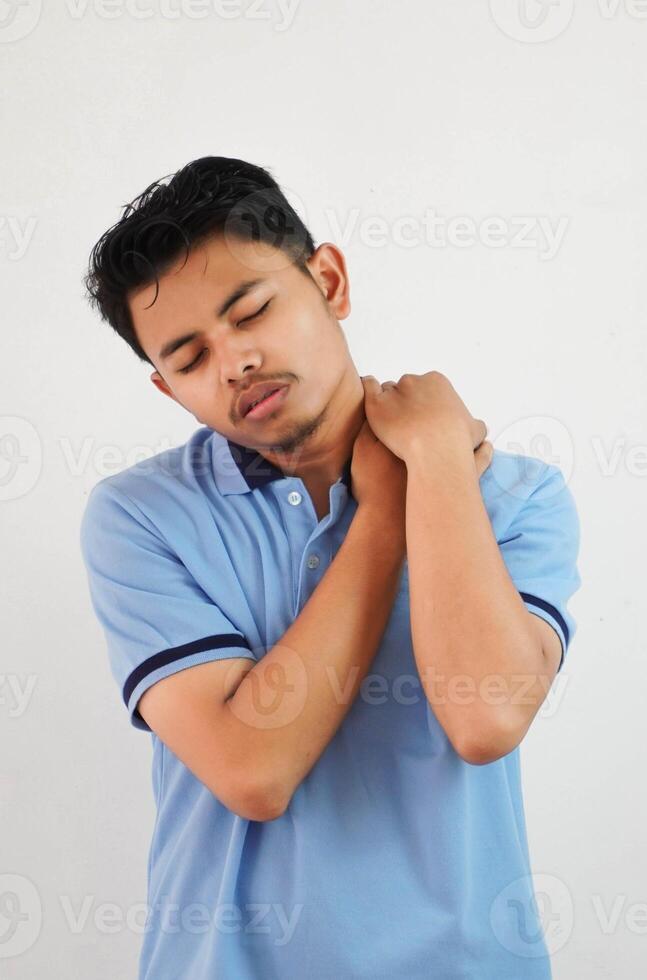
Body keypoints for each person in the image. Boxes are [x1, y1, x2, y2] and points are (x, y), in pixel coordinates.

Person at [79, 156, 581, 978]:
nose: (234, 362)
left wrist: (439, 468)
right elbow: (253, 770)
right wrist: (383, 515)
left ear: (330, 281)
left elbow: (486, 718)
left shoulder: (514, 496)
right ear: (168, 391)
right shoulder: (142, 516)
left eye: (252, 312)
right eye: (191, 357)